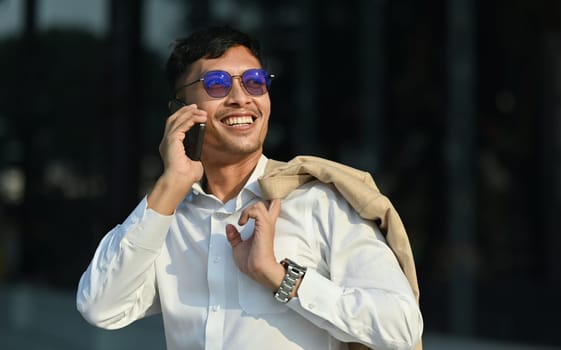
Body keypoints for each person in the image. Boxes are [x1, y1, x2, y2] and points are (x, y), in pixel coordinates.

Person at [76, 26, 423, 350]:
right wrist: (170, 184)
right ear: (181, 111)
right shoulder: (165, 219)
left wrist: (278, 276)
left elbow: (402, 327)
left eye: (255, 82)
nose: (241, 98)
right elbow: (100, 307)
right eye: (216, 84)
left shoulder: (319, 202)